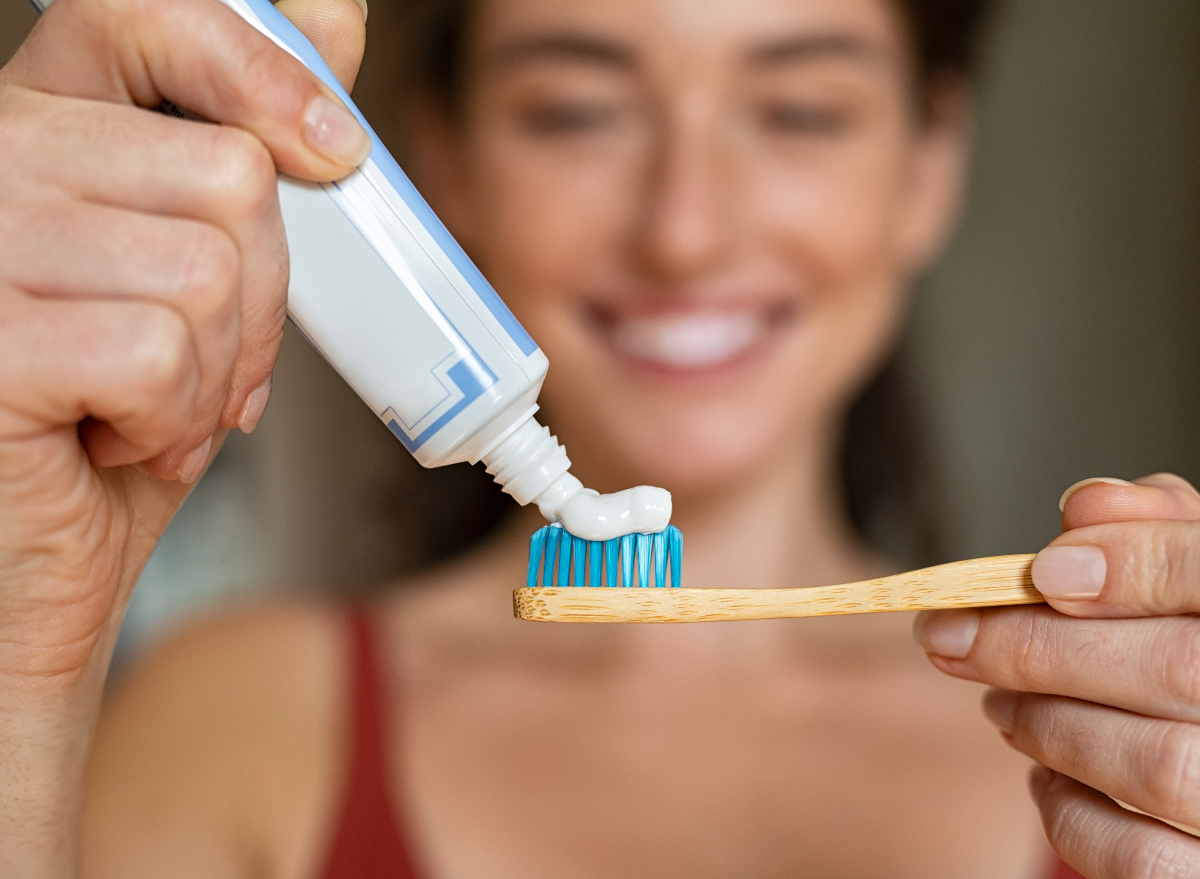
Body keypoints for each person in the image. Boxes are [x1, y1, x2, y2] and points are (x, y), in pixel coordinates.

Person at [1, 0, 1198, 876]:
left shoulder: (1129, 746)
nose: (684, 229)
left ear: (929, 167)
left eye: (797, 110)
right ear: (447, 162)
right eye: (578, 111)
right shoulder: (233, 718)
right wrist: (25, 631)